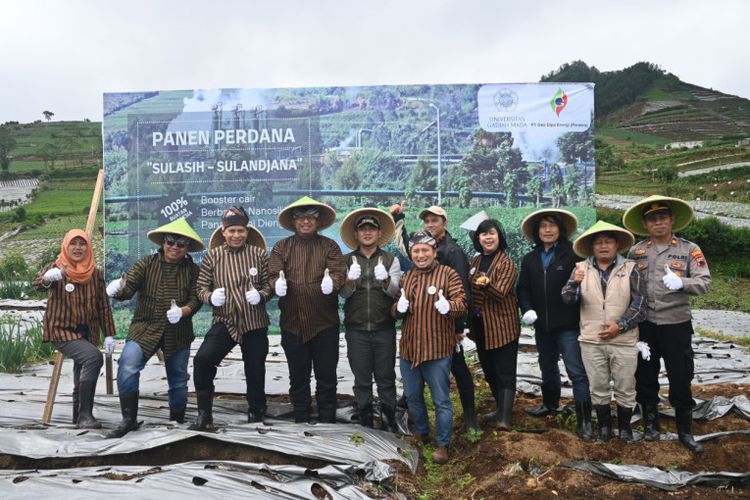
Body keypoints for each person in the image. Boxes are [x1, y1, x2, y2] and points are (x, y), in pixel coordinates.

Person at [623, 195, 712, 453]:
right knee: (645, 375)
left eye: (662, 217)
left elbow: (705, 282)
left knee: (680, 375)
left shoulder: (689, 249)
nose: (658, 222)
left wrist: (683, 283)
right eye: (652, 219)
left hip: (676, 324)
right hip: (646, 325)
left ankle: (685, 431)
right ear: (645, 224)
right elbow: (628, 289)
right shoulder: (637, 251)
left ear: (672, 220)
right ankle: (651, 425)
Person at [105, 218, 204, 438]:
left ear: (187, 247)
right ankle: (128, 419)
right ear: (163, 242)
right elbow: (129, 286)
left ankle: (177, 419)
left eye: (181, 244)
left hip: (178, 330)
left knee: (178, 378)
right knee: (128, 365)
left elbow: (196, 299)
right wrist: (118, 288)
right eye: (170, 241)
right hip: (145, 326)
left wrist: (183, 312)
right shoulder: (146, 263)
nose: (174, 247)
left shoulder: (193, 271)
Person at [390, 202, 480, 432]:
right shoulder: (424, 250)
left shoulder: (452, 251)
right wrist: (399, 217)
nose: (430, 224)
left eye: (435, 220)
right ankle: (413, 412)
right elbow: (410, 245)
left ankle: (470, 418)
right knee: (429, 372)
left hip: (446, 324)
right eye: (427, 221)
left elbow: (462, 293)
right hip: (424, 326)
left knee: (458, 369)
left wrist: (458, 326)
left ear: (444, 223)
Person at [561, 221, 647, 443]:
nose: (603, 246)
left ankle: (625, 428)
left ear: (617, 244)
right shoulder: (580, 269)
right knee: (598, 386)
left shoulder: (631, 268)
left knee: (625, 386)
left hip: (624, 339)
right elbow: (567, 300)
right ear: (592, 247)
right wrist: (573, 283)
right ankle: (605, 429)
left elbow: (640, 304)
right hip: (592, 340)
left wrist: (620, 325)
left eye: (608, 241)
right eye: (598, 242)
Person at [190, 207, 272, 431]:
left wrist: (262, 295)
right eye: (232, 230)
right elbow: (201, 287)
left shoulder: (259, 254)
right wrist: (210, 297)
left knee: (255, 368)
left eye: (241, 230)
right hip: (225, 321)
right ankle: (204, 414)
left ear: (247, 231)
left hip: (254, 321)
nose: (237, 235)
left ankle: (256, 411)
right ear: (223, 232)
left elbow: (269, 285)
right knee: (202, 360)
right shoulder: (213, 256)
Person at [516, 209, 593, 440]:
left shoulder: (573, 256)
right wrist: (527, 308)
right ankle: (550, 405)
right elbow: (523, 288)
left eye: (551, 226)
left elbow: (585, 287)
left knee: (576, 371)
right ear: (537, 232)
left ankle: (585, 421)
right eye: (543, 227)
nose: (547, 230)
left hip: (568, 325)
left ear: (560, 230)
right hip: (543, 326)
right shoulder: (530, 259)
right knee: (547, 368)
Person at [269, 196, 347, 423]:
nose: (305, 222)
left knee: (326, 376)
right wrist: (277, 284)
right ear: (293, 221)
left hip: (325, 323)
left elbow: (339, 271)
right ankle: (301, 417)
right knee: (298, 376)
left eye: (311, 217)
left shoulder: (329, 246)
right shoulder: (282, 247)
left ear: (318, 221)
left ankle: (327, 418)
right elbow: (273, 274)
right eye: (301, 217)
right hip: (292, 323)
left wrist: (333, 281)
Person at [392, 231, 467, 464]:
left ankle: (443, 444)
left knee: (441, 399)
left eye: (425, 250)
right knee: (413, 396)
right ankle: (422, 431)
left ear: (434, 252)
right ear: (412, 254)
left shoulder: (448, 274)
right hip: (410, 349)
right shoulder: (407, 278)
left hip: (437, 349)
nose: (421, 255)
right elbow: (394, 312)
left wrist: (450, 306)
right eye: (416, 251)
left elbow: (462, 302)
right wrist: (398, 308)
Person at [33, 229, 116, 429]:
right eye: (74, 243)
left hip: (87, 331)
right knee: (93, 358)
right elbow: (37, 285)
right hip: (61, 330)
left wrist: (109, 334)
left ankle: (77, 415)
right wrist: (47, 279)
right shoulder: (56, 268)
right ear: (66, 246)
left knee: (83, 366)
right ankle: (85, 414)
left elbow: (103, 305)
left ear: (88, 247)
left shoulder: (95, 274)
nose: (78, 248)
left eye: (82, 244)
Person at [339, 208, 401, 430]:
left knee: (385, 377)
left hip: (384, 327)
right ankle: (365, 417)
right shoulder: (346, 260)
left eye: (371, 229)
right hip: (356, 330)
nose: (367, 233)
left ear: (378, 233)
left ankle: (389, 418)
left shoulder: (390, 259)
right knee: (362, 379)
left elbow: (395, 292)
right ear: (356, 234)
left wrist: (386, 281)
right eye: (362, 229)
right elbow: (343, 294)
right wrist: (348, 281)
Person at [467, 219, 520, 431]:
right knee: (489, 370)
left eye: (492, 233)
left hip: (502, 325)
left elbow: (500, 294)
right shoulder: (476, 261)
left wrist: (487, 284)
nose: (488, 238)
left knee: (505, 370)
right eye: (483, 234)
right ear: (478, 239)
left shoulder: (506, 263)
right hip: (480, 325)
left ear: (499, 237)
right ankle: (499, 408)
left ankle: (506, 417)